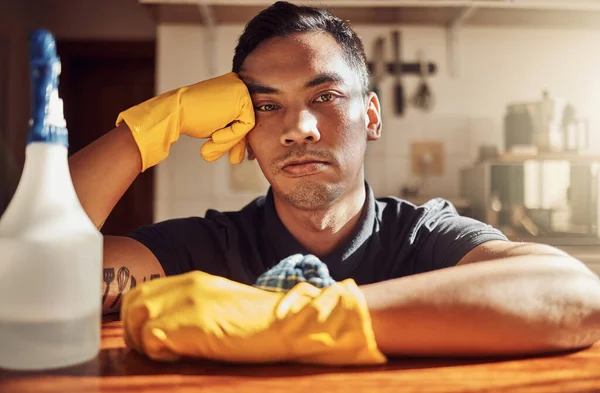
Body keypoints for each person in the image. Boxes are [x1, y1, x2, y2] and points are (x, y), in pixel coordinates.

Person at [70, 1, 600, 359]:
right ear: (244, 135)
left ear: (370, 116)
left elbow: (575, 294)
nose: (298, 128)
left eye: (324, 97)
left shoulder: (423, 236)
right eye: (266, 106)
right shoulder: (202, 247)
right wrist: (150, 126)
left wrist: (289, 321)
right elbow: (27, 274)